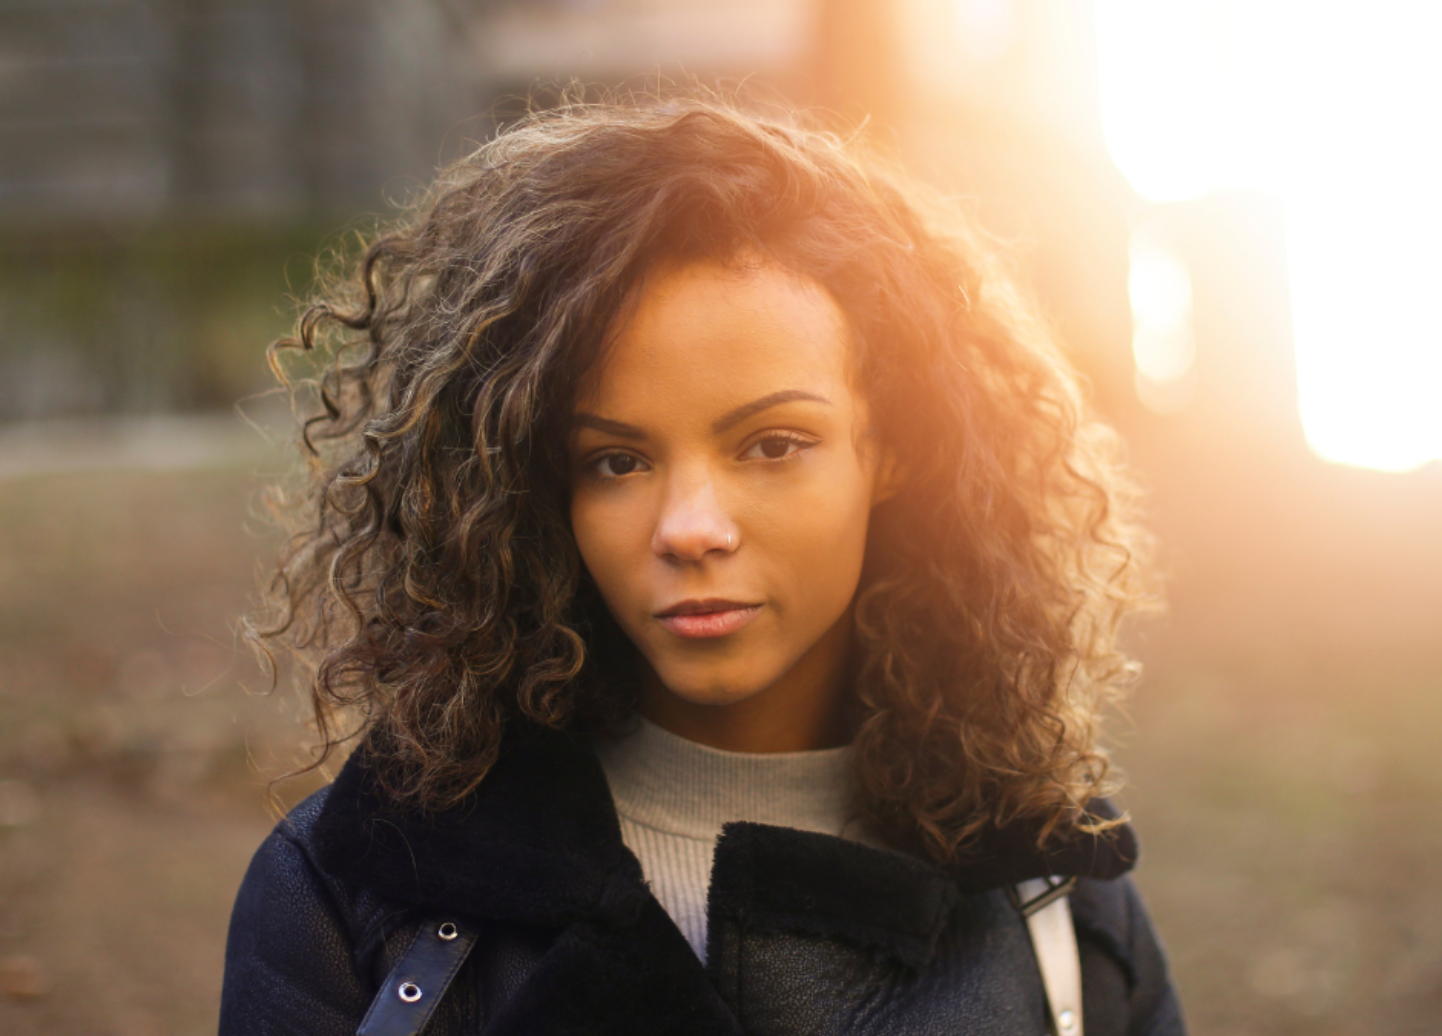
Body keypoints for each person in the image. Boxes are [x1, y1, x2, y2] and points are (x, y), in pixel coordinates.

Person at [220, 94, 1185, 1036]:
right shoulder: (355, 900)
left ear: (892, 451)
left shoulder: (1062, 903)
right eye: (616, 461)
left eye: (772, 445)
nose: (689, 527)